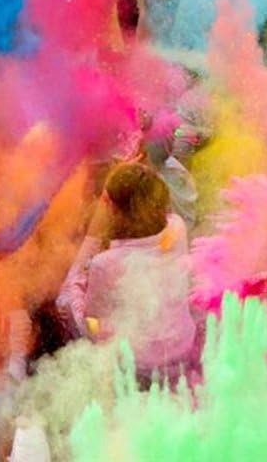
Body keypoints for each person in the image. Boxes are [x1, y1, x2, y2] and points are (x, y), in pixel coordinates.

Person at [57, 162, 198, 383]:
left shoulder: (105, 264)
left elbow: (92, 325)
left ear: (113, 209)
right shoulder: (176, 228)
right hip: (181, 349)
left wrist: (92, 236)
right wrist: (132, 180)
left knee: (66, 301)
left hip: (139, 368)